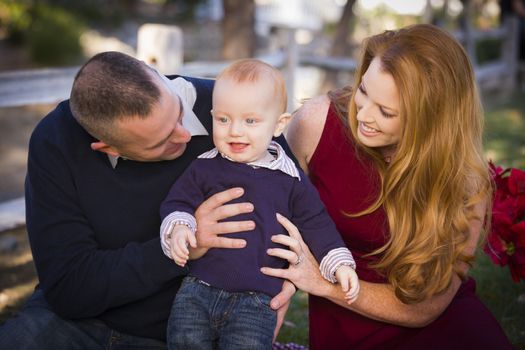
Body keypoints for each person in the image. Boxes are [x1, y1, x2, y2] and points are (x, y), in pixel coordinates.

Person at [0, 51, 296, 348]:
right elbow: (69, 288)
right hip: (76, 325)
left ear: (154, 75)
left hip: (187, 327)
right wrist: (179, 247)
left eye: (178, 113)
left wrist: (290, 277)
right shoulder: (56, 142)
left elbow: (298, 207)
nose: (184, 135)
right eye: (162, 141)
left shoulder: (233, 113)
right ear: (109, 148)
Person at [261, 24, 514, 349]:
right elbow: (268, 209)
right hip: (344, 328)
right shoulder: (317, 123)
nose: (362, 115)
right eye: (363, 91)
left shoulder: (465, 181)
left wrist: (322, 283)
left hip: (439, 327)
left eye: (386, 111)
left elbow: (426, 307)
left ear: (429, 120)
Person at [159, 59, 359, 349]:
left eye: (250, 121)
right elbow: (178, 201)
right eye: (223, 120)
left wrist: (339, 264)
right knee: (184, 341)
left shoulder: (289, 178)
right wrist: (179, 227)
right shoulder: (205, 167)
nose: (235, 131)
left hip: (257, 300)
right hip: (198, 289)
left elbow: (317, 223)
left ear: (279, 124)